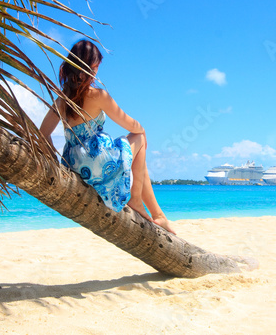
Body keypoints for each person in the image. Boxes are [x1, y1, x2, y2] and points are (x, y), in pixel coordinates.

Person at [40, 40, 175, 234]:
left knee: (137, 154)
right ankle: (137, 201)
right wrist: (143, 130)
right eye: (95, 68)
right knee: (139, 137)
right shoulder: (98, 95)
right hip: (99, 160)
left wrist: (57, 165)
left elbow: (42, 134)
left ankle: (159, 216)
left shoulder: (61, 101)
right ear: (87, 68)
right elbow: (130, 124)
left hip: (76, 165)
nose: (96, 73)